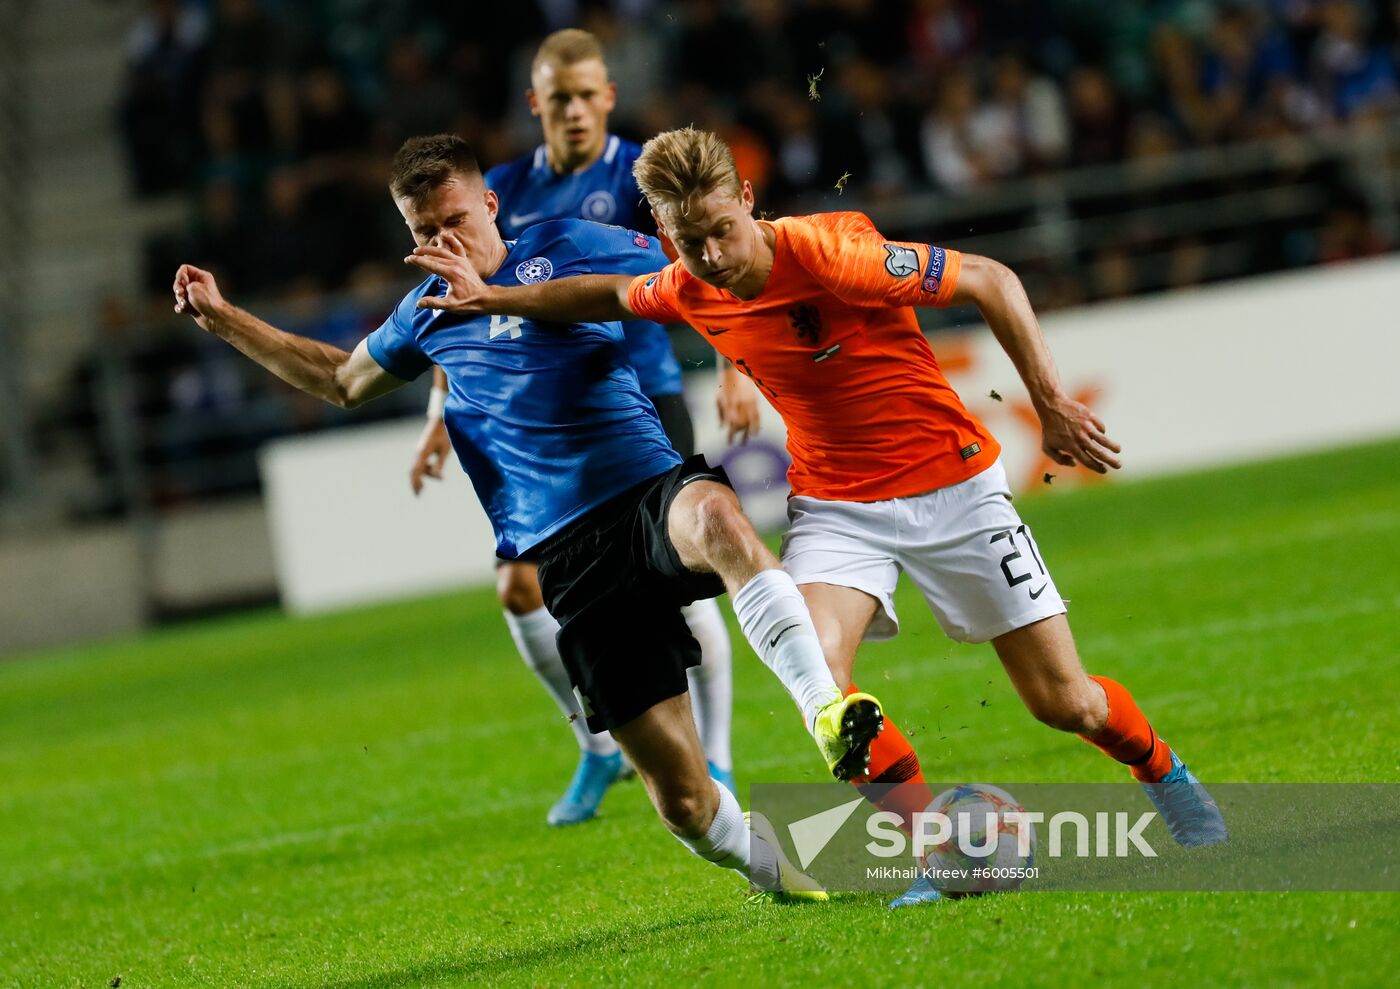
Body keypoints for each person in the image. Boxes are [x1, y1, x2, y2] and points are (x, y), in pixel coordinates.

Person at [403, 125, 1231, 909]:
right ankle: (931, 849)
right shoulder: (686, 282)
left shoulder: (833, 254)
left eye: (723, 231)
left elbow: (990, 278)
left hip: (955, 488)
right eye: (690, 242)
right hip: (839, 506)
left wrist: (1049, 402)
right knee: (826, 691)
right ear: (662, 227)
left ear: (748, 198)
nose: (713, 258)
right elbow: (611, 292)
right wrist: (492, 300)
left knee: (1065, 702)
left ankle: (1164, 772)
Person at [171, 133, 887, 899]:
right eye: (423, 232)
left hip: (649, 491)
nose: (442, 241)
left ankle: (825, 708)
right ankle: (778, 871)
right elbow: (341, 380)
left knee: (718, 518)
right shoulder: (423, 314)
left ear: (488, 203)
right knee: (682, 803)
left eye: (453, 219)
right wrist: (224, 321)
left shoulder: (571, 245)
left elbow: (703, 270)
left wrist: (738, 366)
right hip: (568, 553)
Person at [407, 29, 747, 826]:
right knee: (516, 584)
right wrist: (437, 410)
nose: (576, 109)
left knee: (680, 576)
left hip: (636, 393)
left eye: (589, 94)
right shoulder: (494, 187)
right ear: (537, 105)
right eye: (559, 97)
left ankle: (719, 753)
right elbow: (458, 300)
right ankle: (598, 745)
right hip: (535, 418)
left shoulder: (638, 175)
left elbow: (707, 260)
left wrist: (734, 365)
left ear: (610, 98)